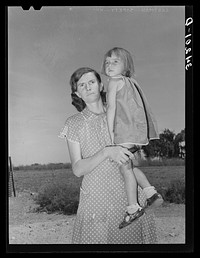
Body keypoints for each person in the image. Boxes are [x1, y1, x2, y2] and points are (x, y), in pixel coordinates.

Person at [59, 67, 158, 244]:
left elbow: (136, 149)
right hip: (95, 198)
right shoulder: (73, 123)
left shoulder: (120, 115)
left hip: (129, 197)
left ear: (101, 86)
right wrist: (107, 151)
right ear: (77, 93)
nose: (88, 87)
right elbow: (77, 169)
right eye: (82, 85)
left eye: (91, 82)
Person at [101, 47, 163, 229]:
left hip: (123, 132)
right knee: (128, 165)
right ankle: (151, 194)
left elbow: (111, 108)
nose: (109, 65)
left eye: (115, 62)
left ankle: (132, 208)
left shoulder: (113, 82)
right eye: (107, 62)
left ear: (126, 65)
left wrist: (109, 133)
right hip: (135, 133)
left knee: (125, 169)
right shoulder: (131, 82)